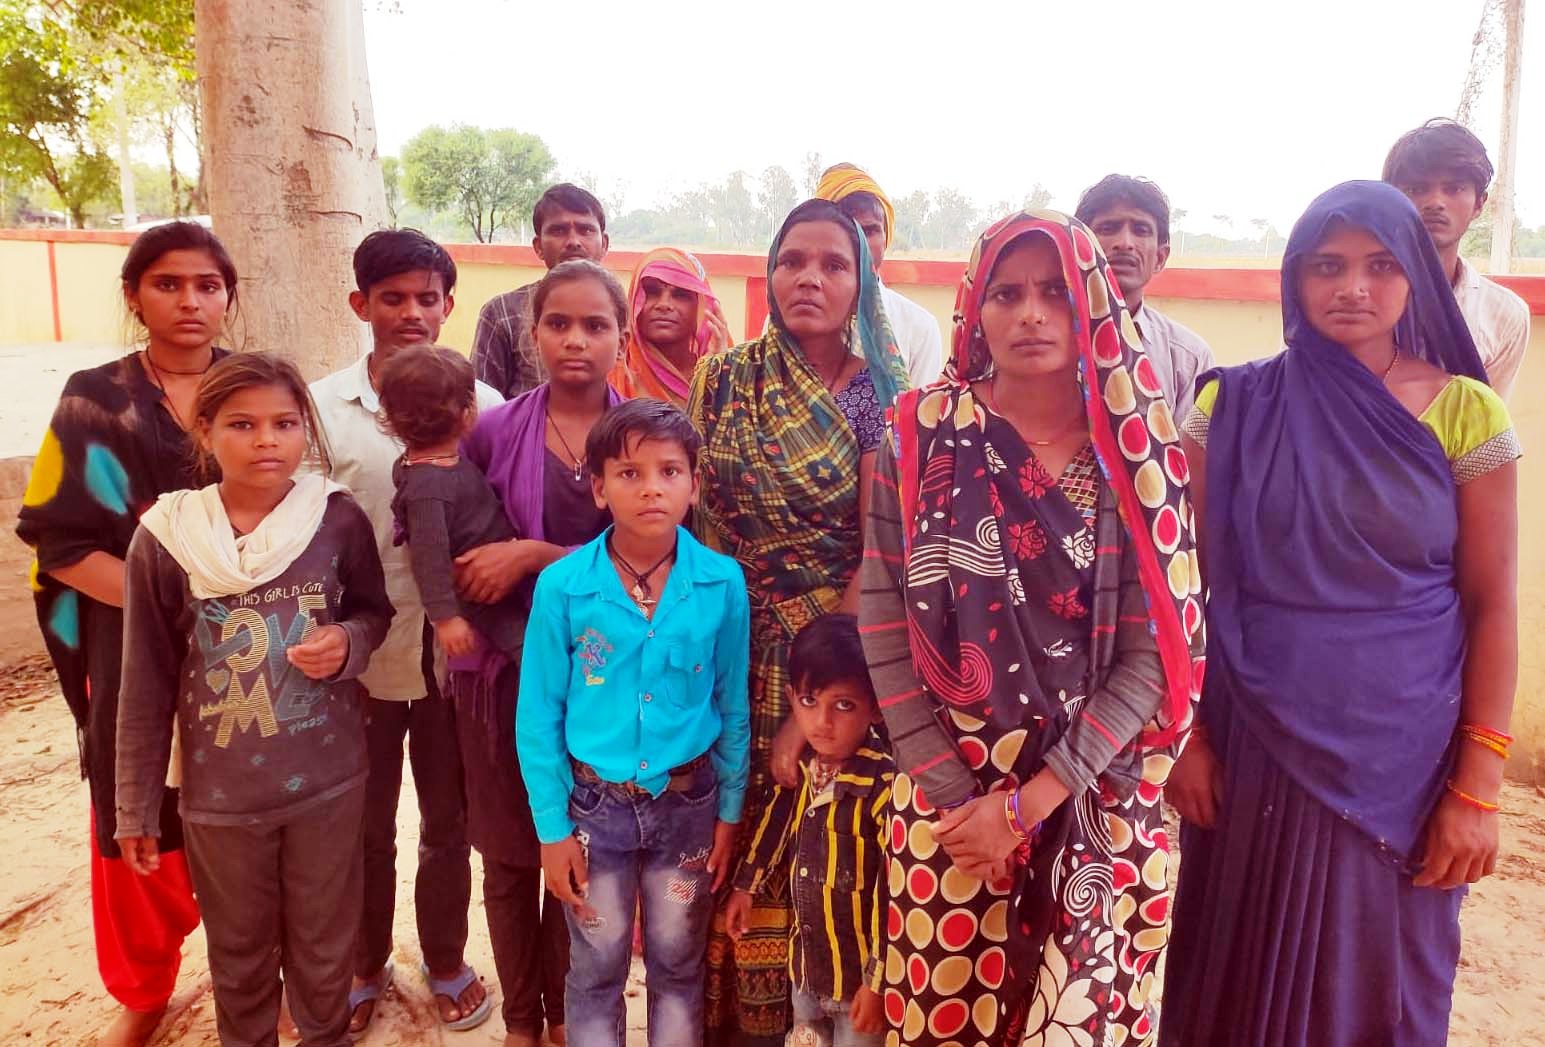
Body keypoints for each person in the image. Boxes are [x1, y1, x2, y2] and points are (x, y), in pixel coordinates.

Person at [1162, 181, 1520, 1046]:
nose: (1351, 287)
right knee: (1236, 967)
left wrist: (1477, 784)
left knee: (1379, 974)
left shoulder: (1465, 411)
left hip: (1405, 755)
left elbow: (1491, 602)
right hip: (1251, 738)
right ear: (1293, 277)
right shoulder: (1230, 406)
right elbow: (1184, 583)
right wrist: (1188, 738)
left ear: (1415, 279)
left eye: (1379, 265)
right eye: (1326, 266)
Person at [858, 210, 1204, 1047]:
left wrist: (1028, 804)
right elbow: (883, 621)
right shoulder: (916, 435)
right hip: (948, 806)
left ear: (1092, 305)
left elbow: (1150, 652)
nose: (1030, 314)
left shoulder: (1137, 452)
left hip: (1094, 794)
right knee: (943, 1014)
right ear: (974, 309)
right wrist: (959, 800)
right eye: (1006, 293)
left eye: (1054, 291)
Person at [115, 352, 394, 1047]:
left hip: (328, 783)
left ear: (306, 429)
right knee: (239, 957)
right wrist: (135, 805)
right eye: (242, 424)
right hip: (222, 797)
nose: (267, 440)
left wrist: (347, 643)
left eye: (284, 423)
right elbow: (144, 680)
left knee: (325, 947)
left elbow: (373, 611)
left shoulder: (333, 517)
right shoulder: (168, 538)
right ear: (204, 431)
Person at [690, 199, 909, 1046]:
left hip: (831, 656)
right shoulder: (722, 379)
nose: (809, 278)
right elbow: (701, 527)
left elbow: (876, 549)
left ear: (861, 283)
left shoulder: (875, 395)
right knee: (730, 834)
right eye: (791, 260)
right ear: (769, 273)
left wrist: (806, 698)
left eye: (833, 263)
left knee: (817, 832)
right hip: (727, 641)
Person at [15, 220, 234, 1047]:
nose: (190, 301)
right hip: (131, 646)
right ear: (134, 296)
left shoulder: (252, 390)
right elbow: (63, 544)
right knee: (136, 804)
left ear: (228, 296)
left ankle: (254, 971)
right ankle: (143, 988)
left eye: (207, 284)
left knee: (254, 806)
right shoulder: (93, 400)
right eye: (168, 283)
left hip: (245, 649)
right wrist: (175, 613)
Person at [309, 229, 502, 1035]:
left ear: (449, 305)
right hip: (360, 659)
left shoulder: (483, 405)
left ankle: (447, 958)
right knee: (364, 823)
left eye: (428, 298)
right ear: (361, 304)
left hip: (458, 661)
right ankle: (362, 963)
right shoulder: (321, 408)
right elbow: (306, 531)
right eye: (393, 298)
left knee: (449, 821)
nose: (412, 312)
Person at [518, 397, 751, 1047]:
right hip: (594, 809)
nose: (651, 487)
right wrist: (552, 830)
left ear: (693, 484)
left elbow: (732, 706)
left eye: (669, 471)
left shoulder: (721, 583)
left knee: (677, 962)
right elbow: (538, 715)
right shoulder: (563, 586)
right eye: (629, 473)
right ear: (598, 488)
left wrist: (729, 813)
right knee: (596, 965)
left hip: (688, 807)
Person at [454, 258, 629, 1047]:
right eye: (558, 323)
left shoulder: (641, 436)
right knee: (507, 855)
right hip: (501, 677)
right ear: (532, 334)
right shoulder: (493, 431)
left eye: (595, 324)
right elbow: (448, 537)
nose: (575, 339)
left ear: (621, 337)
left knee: (580, 848)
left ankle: (567, 1015)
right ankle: (521, 1020)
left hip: (601, 680)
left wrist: (531, 555)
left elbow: (648, 558)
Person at [725, 613, 892, 1047]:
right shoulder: (803, 769)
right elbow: (775, 825)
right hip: (805, 975)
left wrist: (877, 982)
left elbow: (893, 893)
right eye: (809, 701)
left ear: (876, 706)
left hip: (859, 987)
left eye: (844, 705)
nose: (822, 722)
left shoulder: (884, 786)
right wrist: (745, 887)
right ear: (791, 699)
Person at [377, 346, 523, 662]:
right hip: (483, 596)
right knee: (530, 651)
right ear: (467, 413)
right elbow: (428, 555)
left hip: (506, 575)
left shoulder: (427, 465)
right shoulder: (427, 488)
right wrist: (445, 618)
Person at [1383, 118, 1531, 400]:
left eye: (1454, 189)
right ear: (1390, 200)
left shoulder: (1505, 315)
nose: (1435, 202)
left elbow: (1484, 418)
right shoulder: (1356, 296)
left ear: (1479, 204)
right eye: (1416, 189)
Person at [1074, 174, 1216, 423]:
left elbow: (1186, 447)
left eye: (1141, 230)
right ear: (1078, 247)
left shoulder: (1188, 358)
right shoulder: (1040, 339)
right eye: (1108, 228)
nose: (1124, 243)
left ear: (1160, 257)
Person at [472, 183, 611, 399]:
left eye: (585, 230)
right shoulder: (502, 313)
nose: (573, 242)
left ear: (604, 244)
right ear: (538, 246)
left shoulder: (622, 314)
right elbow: (480, 403)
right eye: (559, 230)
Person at [815, 163, 945, 387]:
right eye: (847, 229)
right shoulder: (789, 320)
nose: (860, 242)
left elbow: (923, 409)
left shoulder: (919, 328)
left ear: (886, 238)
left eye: (870, 230)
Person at [609, 247, 731, 408]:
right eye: (652, 292)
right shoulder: (612, 373)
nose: (664, 305)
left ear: (700, 306)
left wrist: (718, 376)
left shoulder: (726, 371)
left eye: (680, 294)